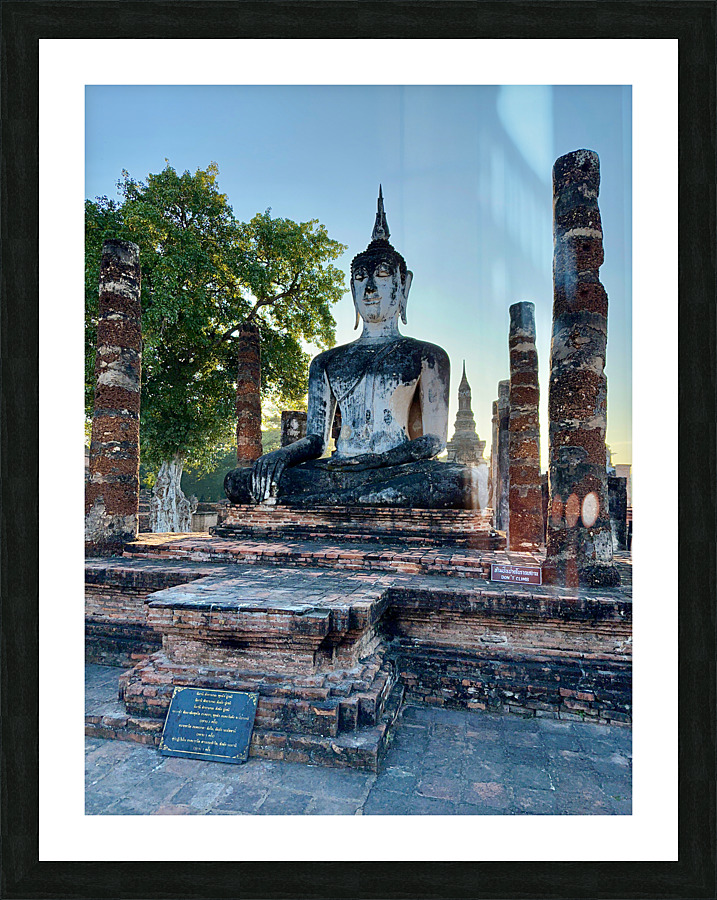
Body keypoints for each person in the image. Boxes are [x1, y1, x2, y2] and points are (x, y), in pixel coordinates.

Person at [225, 188, 476, 509]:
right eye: (360, 278)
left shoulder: (428, 356)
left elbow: (434, 441)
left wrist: (380, 460)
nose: (369, 288)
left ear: (404, 285)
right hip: (338, 469)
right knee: (239, 481)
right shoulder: (326, 362)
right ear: (351, 287)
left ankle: (328, 503)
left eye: (382, 275)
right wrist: (281, 455)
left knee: (462, 481)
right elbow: (315, 441)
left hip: (394, 467)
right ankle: (352, 499)